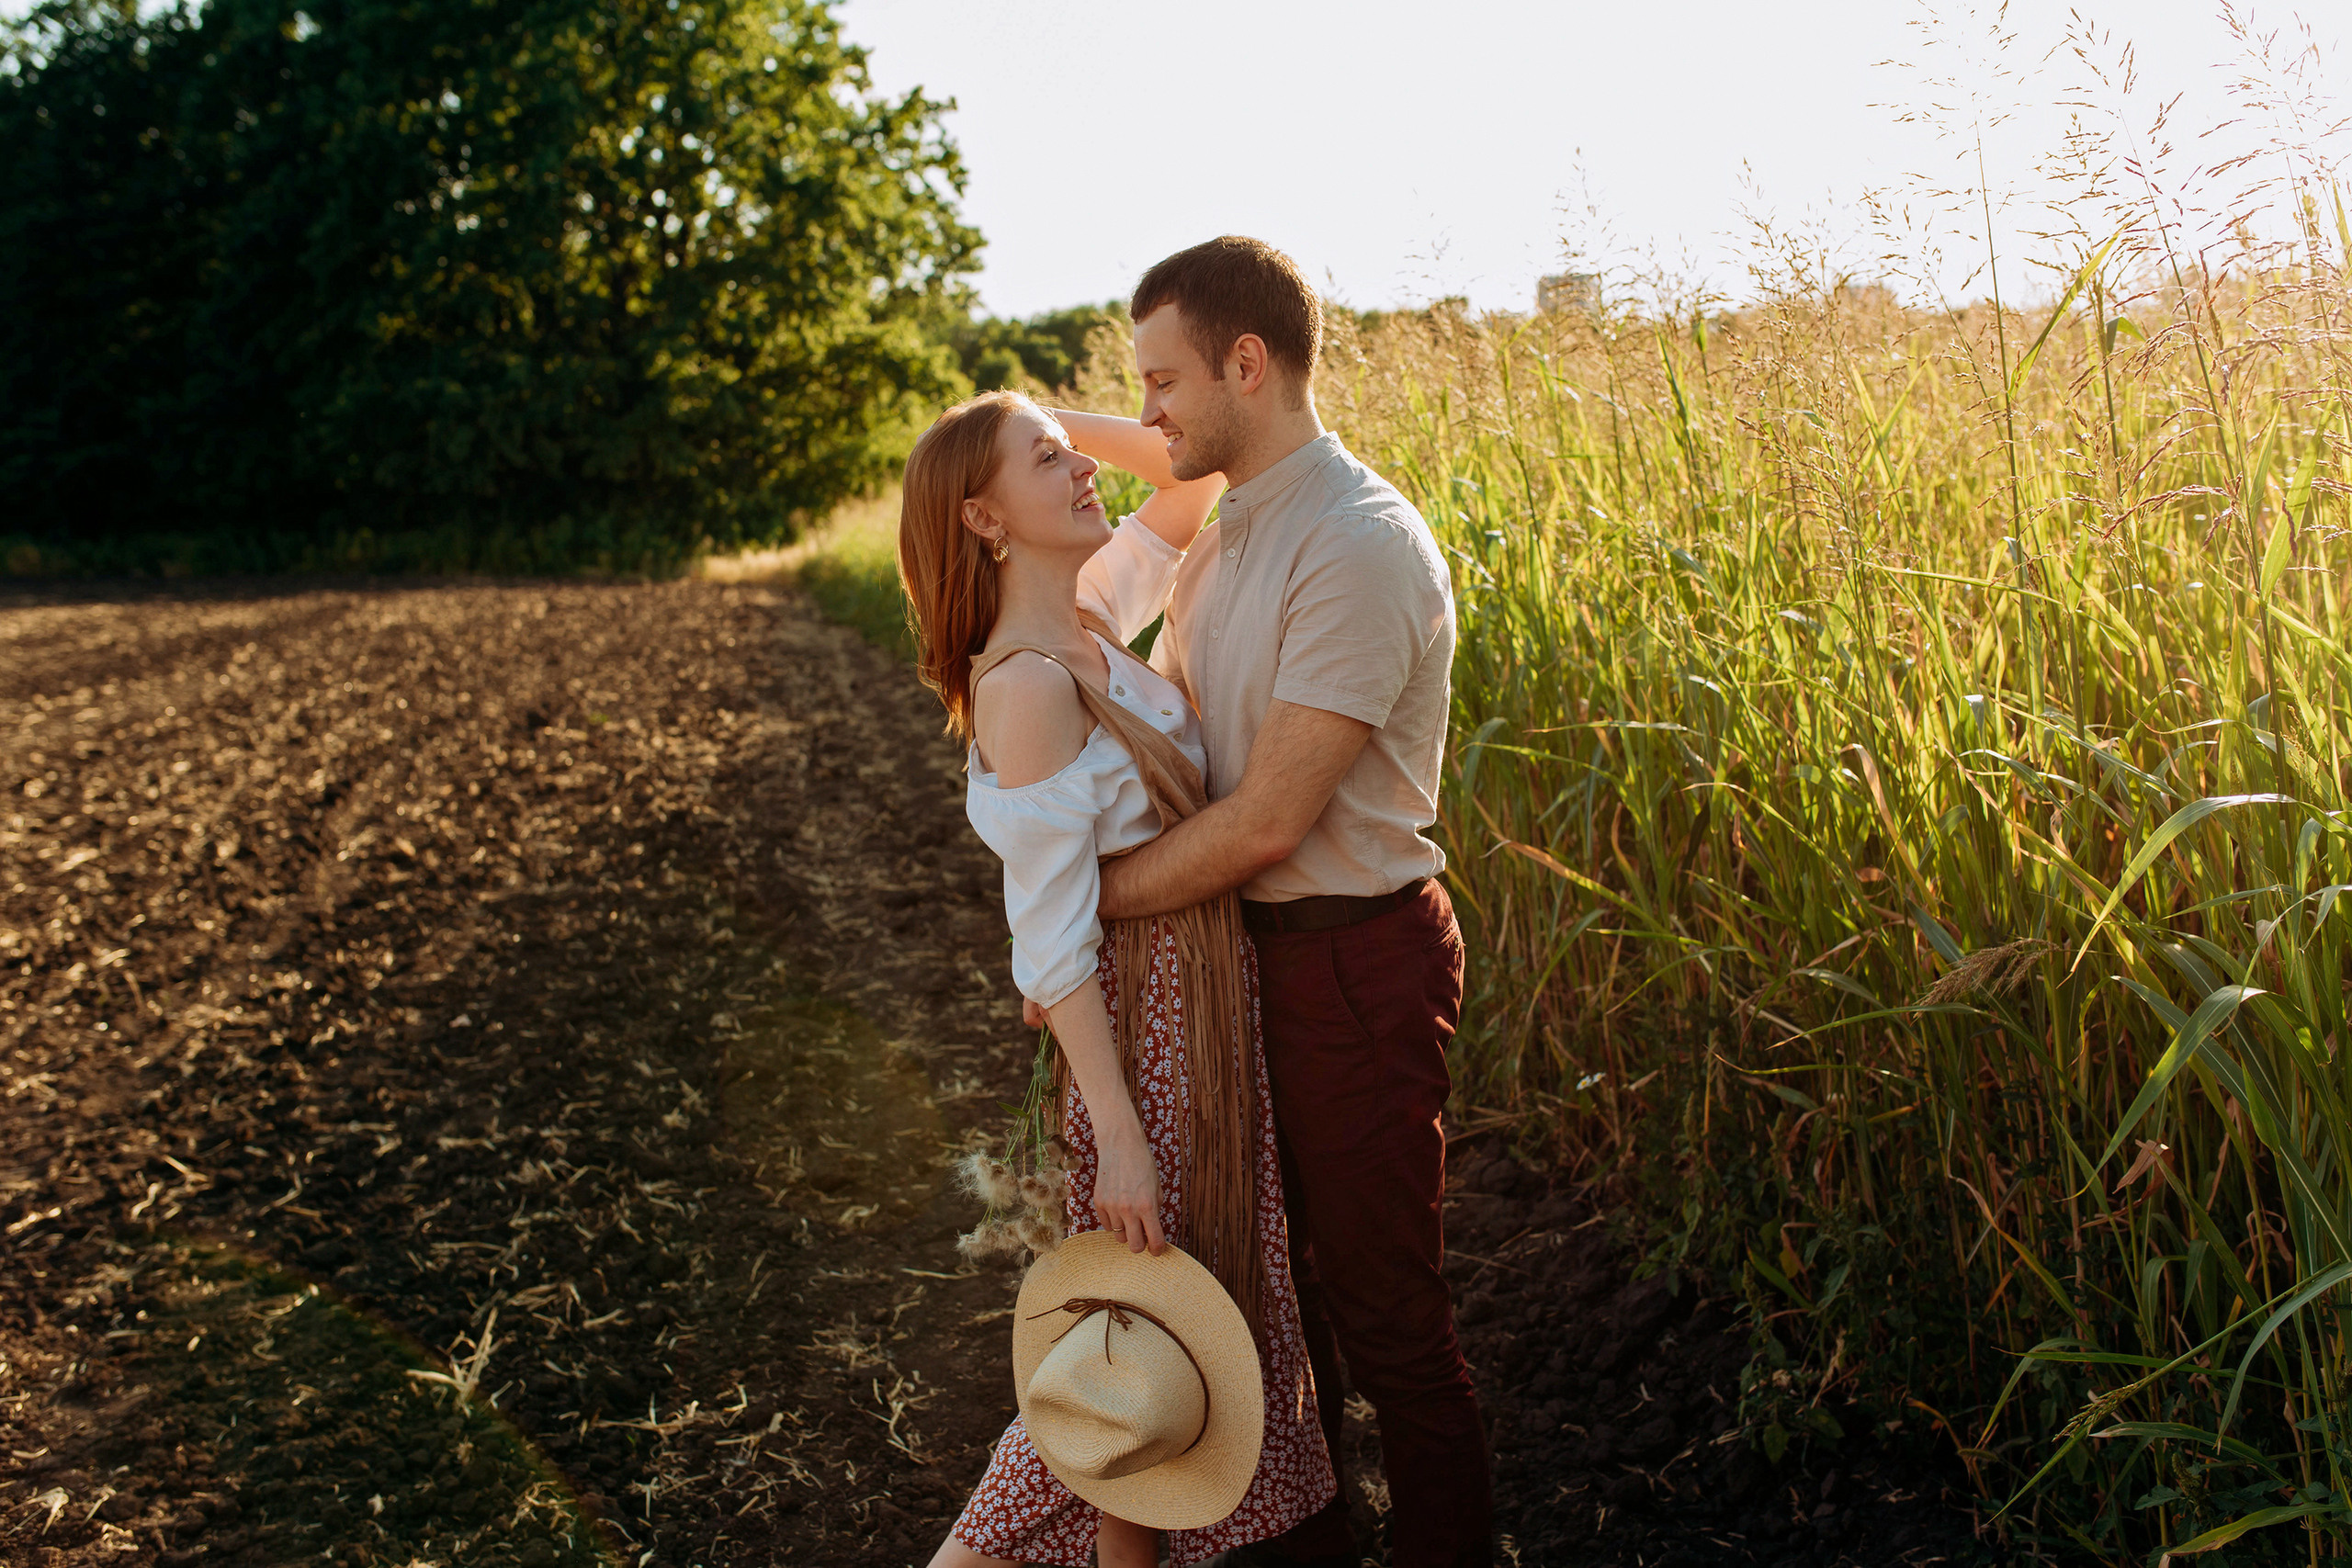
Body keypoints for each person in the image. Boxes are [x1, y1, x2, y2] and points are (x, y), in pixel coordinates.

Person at [1075, 235, 1489, 1568]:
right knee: (1269, 1307)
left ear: (1247, 364)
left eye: (1162, 380)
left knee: (1388, 1322)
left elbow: (1266, 818)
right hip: (1246, 967)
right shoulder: (1226, 519)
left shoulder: (1360, 541)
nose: (1147, 415)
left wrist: (1094, 905)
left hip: (1354, 962)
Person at [899, 389, 1337, 1568]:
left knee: (1146, 1374)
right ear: (986, 521)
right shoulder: (1027, 686)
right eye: (1048, 464)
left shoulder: (1091, 612)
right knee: (1118, 1374)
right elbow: (1049, 945)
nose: (1084, 470)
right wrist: (1123, 1134)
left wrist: (1053, 422)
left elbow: (1192, 482)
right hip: (1137, 1041)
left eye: (1074, 455)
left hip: (1196, 1014)